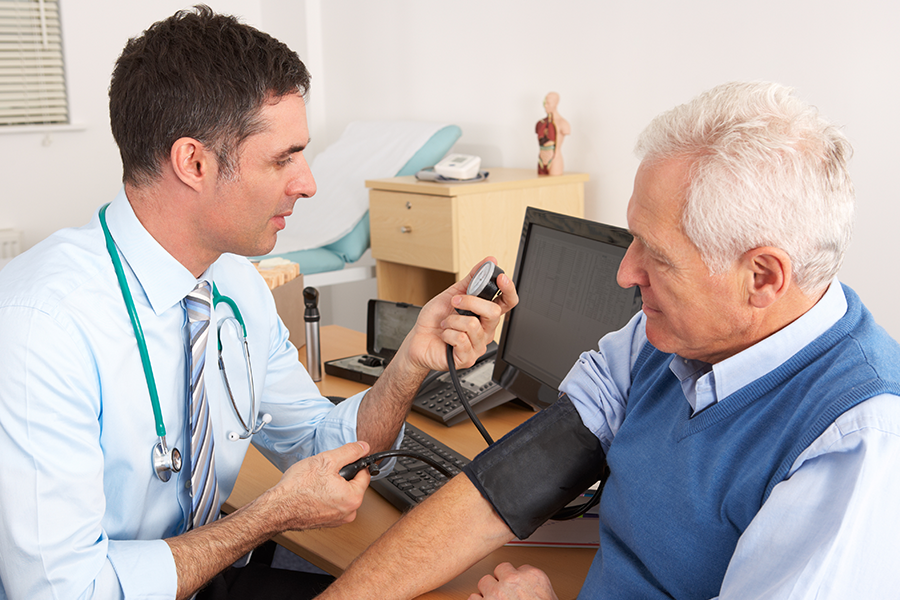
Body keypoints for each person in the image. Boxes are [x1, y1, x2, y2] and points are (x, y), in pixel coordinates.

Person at [0, 7, 517, 600]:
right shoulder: (43, 326)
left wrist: (409, 366)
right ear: (193, 162)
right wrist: (267, 516)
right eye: (283, 158)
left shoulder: (236, 287)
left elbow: (325, 446)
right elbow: (63, 592)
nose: (308, 183)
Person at [317, 81, 900, 599]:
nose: (626, 273)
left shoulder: (855, 446)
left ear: (763, 278)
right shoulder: (664, 338)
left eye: (658, 256)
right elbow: (501, 491)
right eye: (633, 239)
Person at [535, 92, 570, 175]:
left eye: (548, 103)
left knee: (555, 184)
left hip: (555, 160)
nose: (545, 106)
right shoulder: (540, 123)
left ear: (555, 103)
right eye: (545, 103)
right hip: (541, 160)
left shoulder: (563, 123)